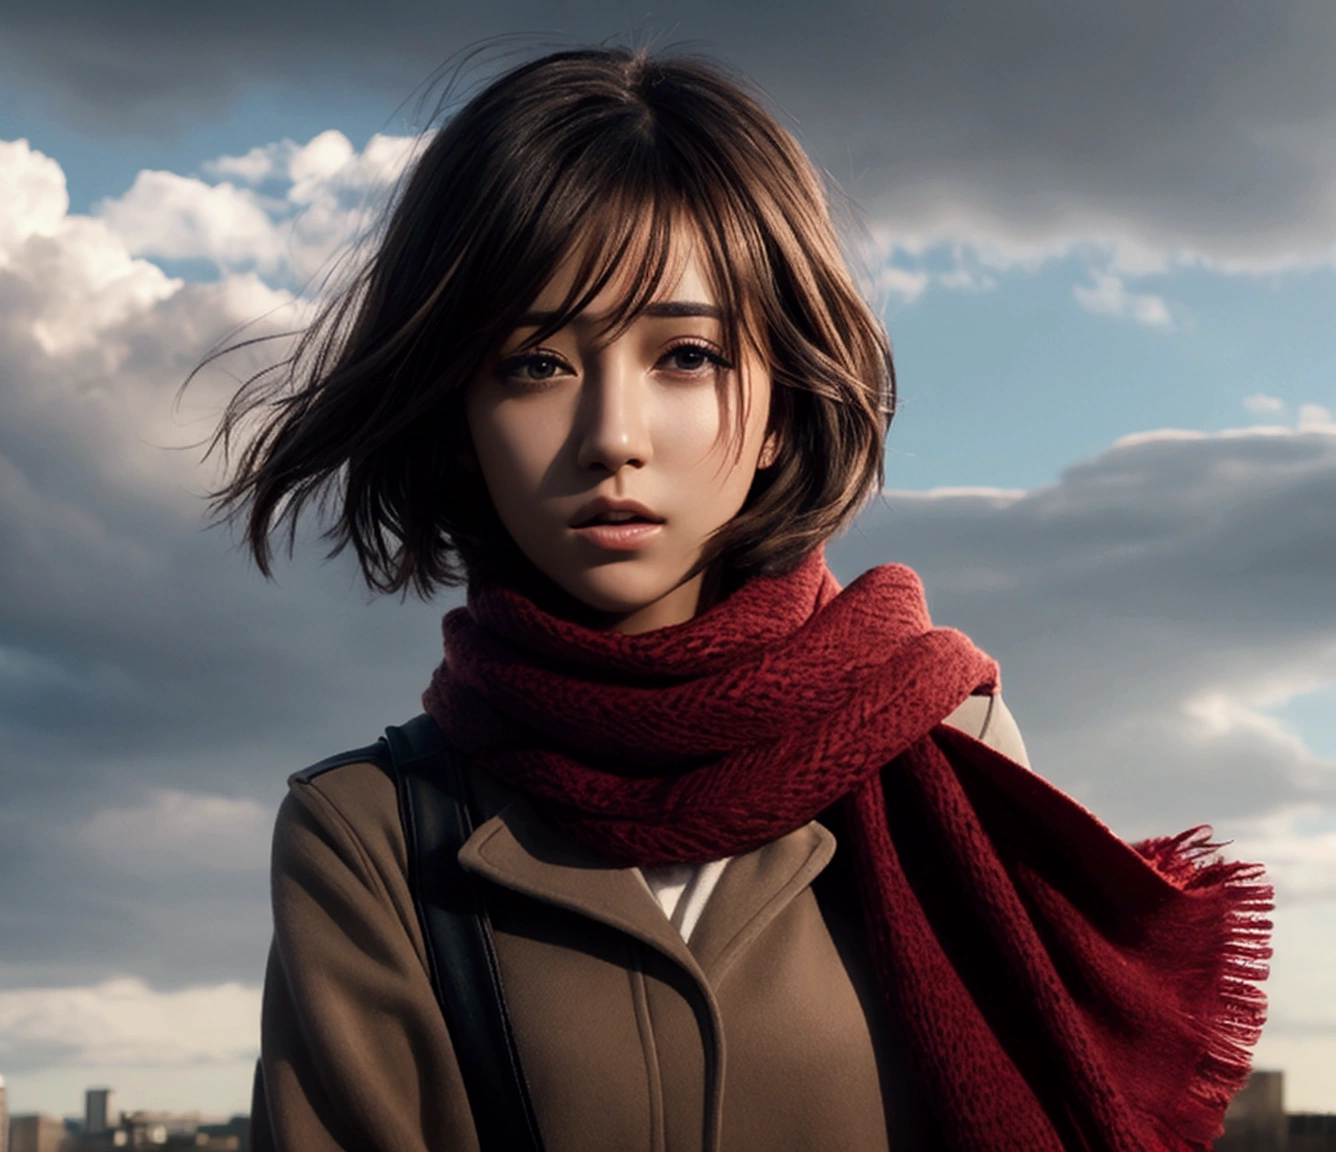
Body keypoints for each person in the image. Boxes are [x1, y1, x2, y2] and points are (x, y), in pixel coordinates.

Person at [211, 48, 1270, 1152]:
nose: (610, 437)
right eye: (533, 363)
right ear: (458, 416)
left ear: (779, 406)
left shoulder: (944, 739)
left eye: (683, 354)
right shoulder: (367, 836)